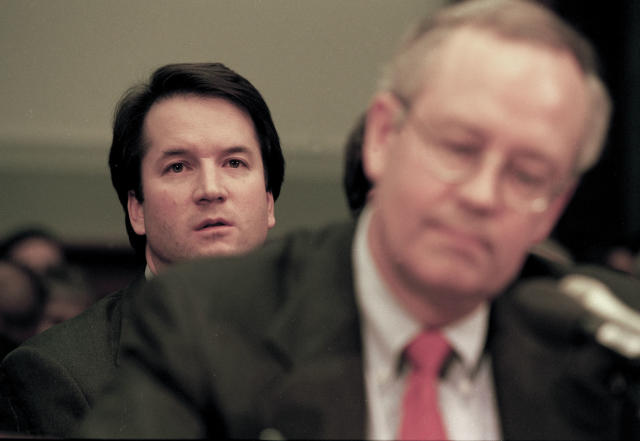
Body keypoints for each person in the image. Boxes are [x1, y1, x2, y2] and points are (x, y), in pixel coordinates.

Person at [75, 1, 640, 439]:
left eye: (527, 175)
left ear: (555, 209)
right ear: (382, 138)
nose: (482, 196)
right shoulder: (206, 328)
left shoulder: (605, 349)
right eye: (458, 149)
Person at [0, 62, 285, 437]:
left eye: (234, 162)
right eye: (179, 167)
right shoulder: (55, 372)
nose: (212, 189)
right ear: (137, 209)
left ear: (268, 203)